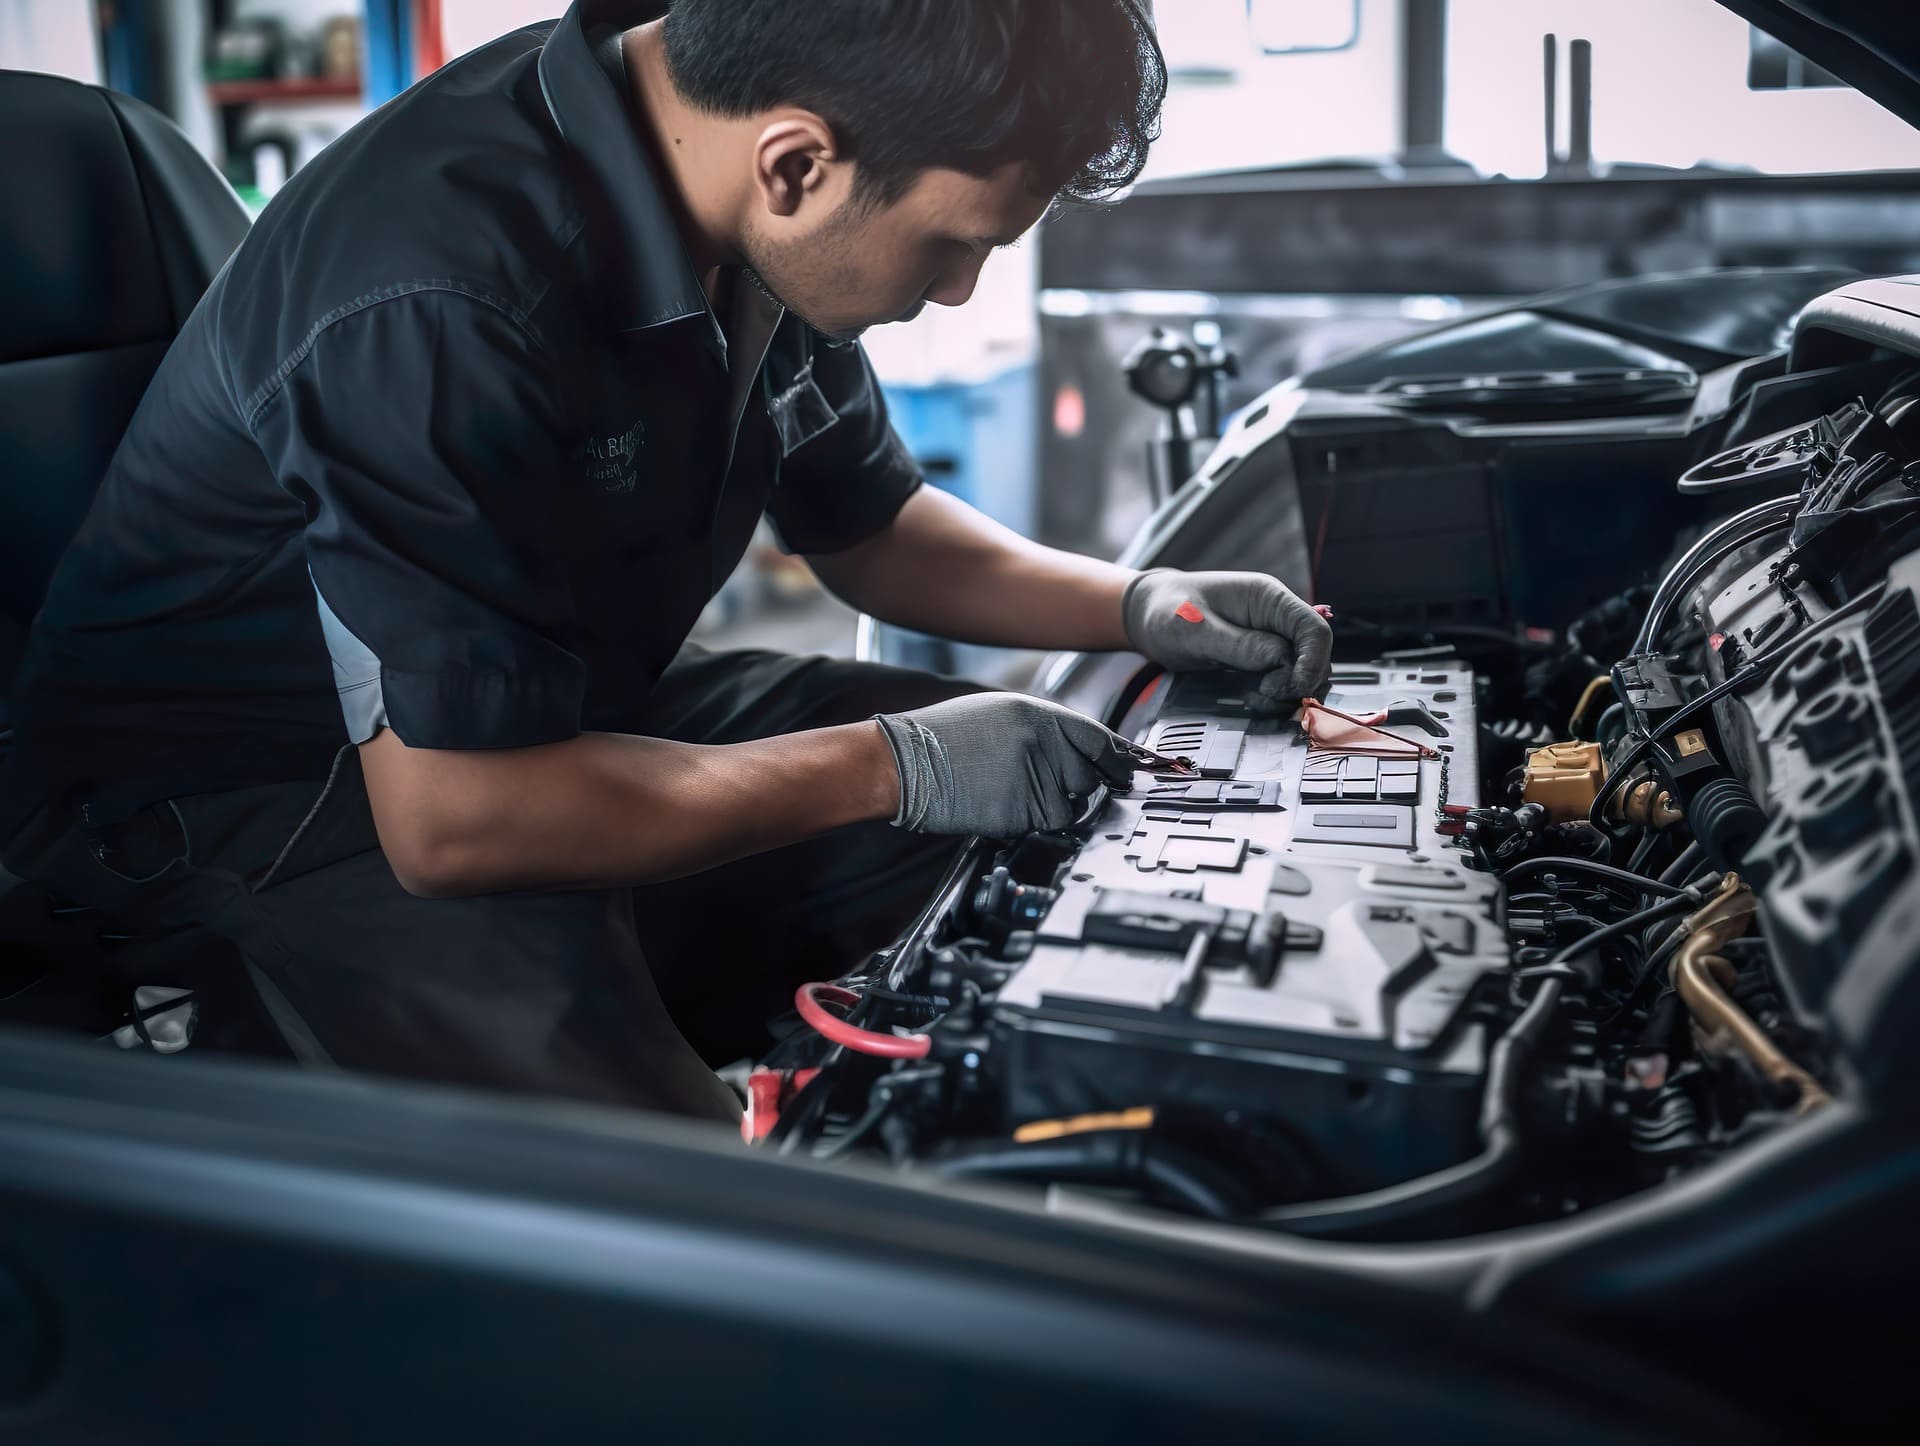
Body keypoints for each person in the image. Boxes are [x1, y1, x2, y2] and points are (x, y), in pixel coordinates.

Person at [0, 0, 1330, 1120]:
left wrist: (1148, 606)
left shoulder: (738, 174)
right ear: (798, 166)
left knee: (1078, 814)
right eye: (958, 242)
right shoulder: (442, 292)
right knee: (688, 1217)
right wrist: (893, 770)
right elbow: (459, 818)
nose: (961, 289)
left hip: (546, 707)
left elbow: (868, 530)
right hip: (266, 797)